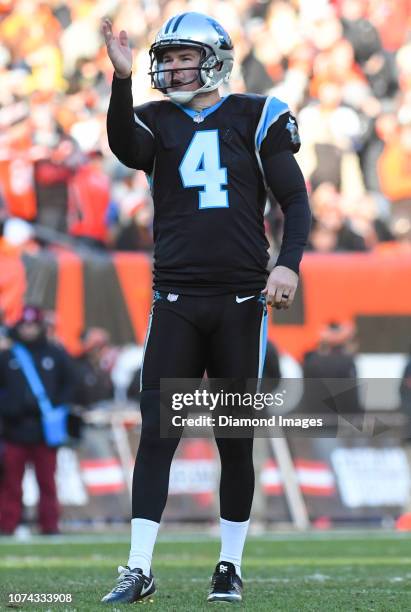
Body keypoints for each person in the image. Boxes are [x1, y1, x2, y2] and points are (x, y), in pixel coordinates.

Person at [101, 12, 311, 604]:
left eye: (181, 57)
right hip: (176, 299)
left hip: (243, 299)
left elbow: (294, 199)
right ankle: (139, 567)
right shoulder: (155, 118)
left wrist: (288, 263)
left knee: (233, 439)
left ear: (216, 57)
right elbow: (125, 146)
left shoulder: (257, 114)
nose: (169, 68)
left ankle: (229, 564)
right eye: (163, 59)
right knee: (158, 435)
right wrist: (122, 83)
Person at [0, 305, 77, 535]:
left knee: (48, 482)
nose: (29, 330)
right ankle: (7, 524)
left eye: (33, 325)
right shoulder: (7, 357)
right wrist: (9, 407)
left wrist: (57, 407)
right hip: (14, 430)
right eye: (25, 325)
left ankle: (50, 525)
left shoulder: (55, 354)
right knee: (11, 483)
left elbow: (71, 383)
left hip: (46, 431)